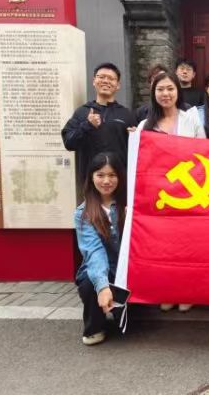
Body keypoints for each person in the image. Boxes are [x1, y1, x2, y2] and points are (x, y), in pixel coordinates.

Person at [139, 72, 205, 312]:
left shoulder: (191, 119)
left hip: (188, 192)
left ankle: (187, 292)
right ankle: (168, 291)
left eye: (170, 88)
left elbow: (204, 153)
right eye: (160, 89)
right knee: (164, 247)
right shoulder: (144, 126)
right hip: (159, 195)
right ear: (153, 93)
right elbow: (141, 164)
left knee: (187, 246)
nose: (165, 94)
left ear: (178, 91)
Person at [74, 152, 126, 346]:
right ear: (91, 177)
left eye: (112, 175)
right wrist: (102, 286)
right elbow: (94, 251)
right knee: (90, 283)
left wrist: (132, 218)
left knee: (131, 326)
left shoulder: (129, 204)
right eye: (100, 175)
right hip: (100, 269)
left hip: (126, 270)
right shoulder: (83, 212)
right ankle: (94, 326)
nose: (106, 181)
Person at [62, 62, 136, 187]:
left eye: (111, 78)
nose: (106, 81)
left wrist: (135, 136)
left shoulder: (126, 114)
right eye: (101, 77)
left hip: (119, 183)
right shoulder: (82, 112)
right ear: (94, 81)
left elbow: (137, 152)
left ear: (118, 85)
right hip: (90, 183)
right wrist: (87, 125)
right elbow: (69, 143)